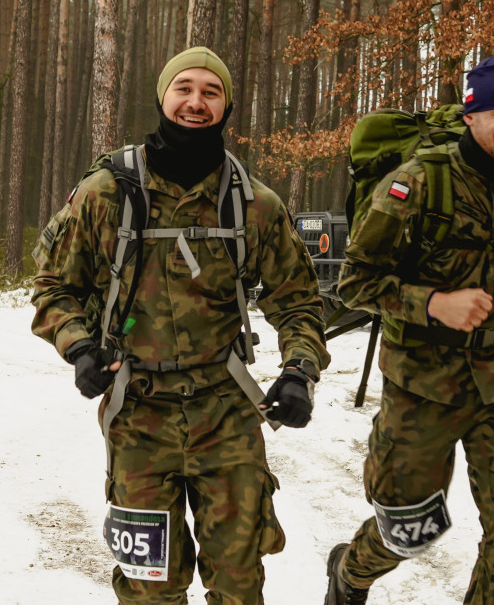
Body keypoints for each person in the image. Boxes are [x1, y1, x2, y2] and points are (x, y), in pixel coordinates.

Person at [31, 46, 330, 603]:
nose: (196, 102)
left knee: (239, 584)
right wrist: (80, 348)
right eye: (184, 88)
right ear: (162, 96)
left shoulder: (254, 204)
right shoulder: (106, 194)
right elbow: (53, 287)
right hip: (139, 413)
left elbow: (298, 303)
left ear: (226, 106)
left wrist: (299, 372)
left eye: (211, 92)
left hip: (227, 414)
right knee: (150, 589)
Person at [324, 54, 494, 605]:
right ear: (472, 115)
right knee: (411, 529)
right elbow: (356, 281)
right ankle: (350, 572)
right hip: (421, 381)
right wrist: (433, 304)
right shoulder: (418, 182)